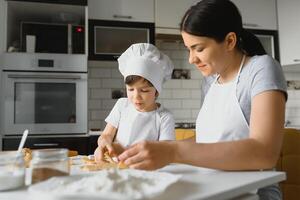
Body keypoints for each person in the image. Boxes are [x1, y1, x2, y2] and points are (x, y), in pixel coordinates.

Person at [116, 0, 287, 199]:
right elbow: (209, 139)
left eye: (198, 48)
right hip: (211, 187)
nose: (191, 59)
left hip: (252, 193)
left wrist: (173, 151)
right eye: (189, 49)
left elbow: (264, 153)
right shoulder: (210, 82)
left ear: (230, 41)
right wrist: (138, 151)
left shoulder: (261, 68)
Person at [94, 43, 175, 161]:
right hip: (116, 164)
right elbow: (107, 135)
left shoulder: (164, 117)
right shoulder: (122, 105)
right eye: (130, 89)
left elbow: (165, 150)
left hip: (146, 168)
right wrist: (103, 144)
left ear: (156, 91)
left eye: (144, 90)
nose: (136, 96)